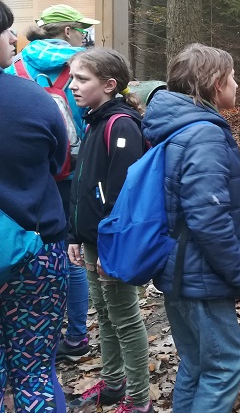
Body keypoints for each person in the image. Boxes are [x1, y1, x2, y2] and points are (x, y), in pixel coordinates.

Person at [143, 43, 240, 412]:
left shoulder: (176, 125)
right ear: (216, 83)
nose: (237, 85)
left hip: (178, 269)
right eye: (233, 77)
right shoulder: (204, 134)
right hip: (200, 274)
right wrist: (236, 271)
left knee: (195, 362)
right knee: (225, 366)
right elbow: (208, 216)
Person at [4, 4, 100, 362]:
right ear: (68, 31)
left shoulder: (16, 66)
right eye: (81, 29)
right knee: (70, 254)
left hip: (28, 178)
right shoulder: (85, 67)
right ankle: (75, 336)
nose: (84, 35)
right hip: (74, 174)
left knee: (20, 249)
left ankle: (23, 330)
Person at [65, 48, 152, 413]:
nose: (73, 86)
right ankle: (114, 382)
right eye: (72, 78)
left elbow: (122, 195)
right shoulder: (94, 121)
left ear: (110, 84)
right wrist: (75, 235)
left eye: (82, 79)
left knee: (125, 317)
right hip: (92, 239)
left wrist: (110, 248)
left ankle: (140, 400)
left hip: (111, 243)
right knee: (103, 312)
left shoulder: (122, 125)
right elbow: (84, 184)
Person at [0, 0, 70, 411]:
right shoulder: (34, 99)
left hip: (33, 253)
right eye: (5, 29)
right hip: (34, 255)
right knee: (35, 374)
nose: (13, 37)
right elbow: (59, 165)